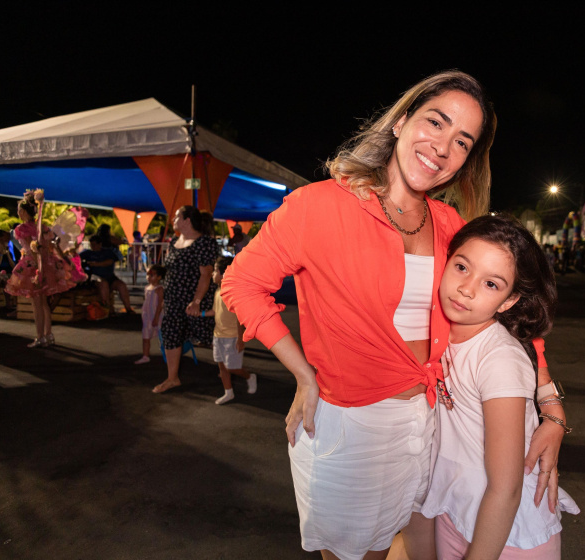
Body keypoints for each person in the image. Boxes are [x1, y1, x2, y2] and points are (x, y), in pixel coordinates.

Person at [222, 71, 565, 560]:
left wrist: (550, 408)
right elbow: (241, 284)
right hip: (351, 426)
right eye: (436, 122)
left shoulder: (450, 226)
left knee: (393, 548)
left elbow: (511, 318)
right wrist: (302, 373)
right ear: (402, 121)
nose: (443, 147)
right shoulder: (317, 206)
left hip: (427, 423)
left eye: (462, 141)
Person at [419, 215, 578, 559]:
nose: (467, 288)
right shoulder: (439, 333)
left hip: (509, 536)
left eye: (492, 284)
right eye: (462, 267)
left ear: (508, 301)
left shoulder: (498, 359)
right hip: (455, 513)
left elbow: (506, 488)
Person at [152, 205, 218, 393]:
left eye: (176, 217)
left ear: (187, 220)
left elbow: (206, 275)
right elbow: (171, 271)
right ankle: (172, 378)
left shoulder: (205, 243)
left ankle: (233, 371)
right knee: (171, 336)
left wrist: (196, 301)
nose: (173, 220)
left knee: (212, 336)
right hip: (174, 299)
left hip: (194, 301)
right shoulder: (173, 242)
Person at [5, 190, 77, 347]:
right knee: (44, 302)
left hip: (33, 265)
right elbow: (48, 247)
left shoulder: (22, 229)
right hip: (47, 264)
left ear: (22, 211)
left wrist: (36, 266)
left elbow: (32, 251)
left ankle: (40, 337)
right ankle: (48, 334)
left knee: (37, 303)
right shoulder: (42, 227)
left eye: (18, 210)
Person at [208, 256, 256, 404]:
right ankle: (228, 392)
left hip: (232, 337)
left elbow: (239, 318)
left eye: (215, 270)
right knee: (221, 366)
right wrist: (199, 312)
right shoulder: (218, 291)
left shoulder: (232, 293)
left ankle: (249, 377)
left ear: (224, 274)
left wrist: (241, 339)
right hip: (218, 336)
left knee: (232, 367)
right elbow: (215, 312)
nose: (212, 274)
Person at [79, 236, 135, 314]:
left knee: (121, 285)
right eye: (91, 245)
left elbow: (110, 261)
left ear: (100, 244)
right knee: (103, 283)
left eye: (94, 245)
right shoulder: (87, 253)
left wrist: (95, 264)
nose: (93, 247)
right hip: (95, 278)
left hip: (110, 277)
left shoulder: (107, 252)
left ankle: (128, 308)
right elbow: (76, 258)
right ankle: (108, 309)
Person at [134, 265, 165, 365]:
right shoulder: (147, 288)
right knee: (146, 336)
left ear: (159, 277)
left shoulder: (159, 289)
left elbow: (160, 304)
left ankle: (168, 354)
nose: (148, 277)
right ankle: (145, 356)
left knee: (162, 336)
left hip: (157, 315)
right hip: (147, 316)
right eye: (147, 274)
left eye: (151, 275)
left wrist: (156, 317)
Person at [0, 228, 20, 315]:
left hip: (9, 273)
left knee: (10, 280)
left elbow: (13, 266)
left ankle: (10, 303)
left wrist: (8, 254)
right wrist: (1, 254)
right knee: (1, 279)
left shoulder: (10, 252)